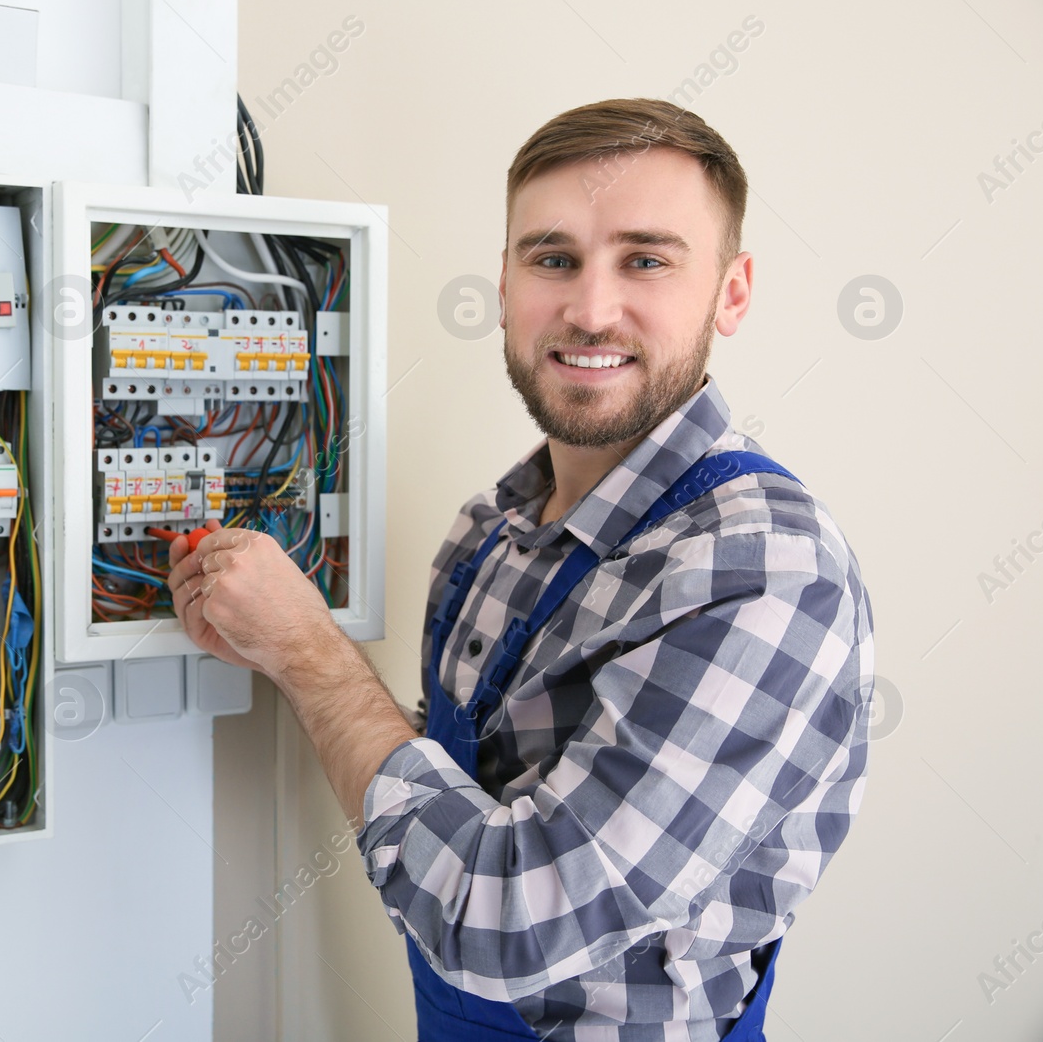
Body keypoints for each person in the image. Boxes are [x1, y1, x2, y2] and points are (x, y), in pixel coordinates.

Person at [166, 97, 874, 1041]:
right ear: (504, 286)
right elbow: (467, 785)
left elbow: (505, 919)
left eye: (647, 259)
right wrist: (273, 640)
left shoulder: (764, 570)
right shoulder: (485, 536)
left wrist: (307, 651)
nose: (589, 308)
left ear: (732, 292)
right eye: (553, 258)